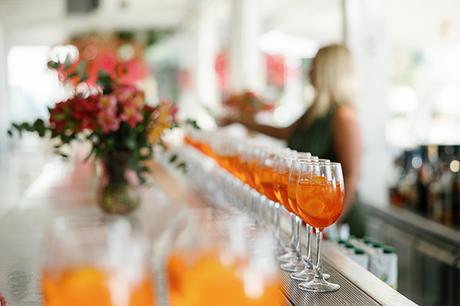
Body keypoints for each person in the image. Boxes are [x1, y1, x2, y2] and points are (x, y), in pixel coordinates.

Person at [220, 44, 365, 237]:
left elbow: (352, 177)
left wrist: (328, 224)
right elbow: (284, 133)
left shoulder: (343, 117)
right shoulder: (315, 112)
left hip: (336, 222)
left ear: (326, 72)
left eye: (314, 66)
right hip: (309, 211)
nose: (309, 72)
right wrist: (239, 120)